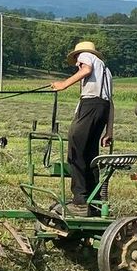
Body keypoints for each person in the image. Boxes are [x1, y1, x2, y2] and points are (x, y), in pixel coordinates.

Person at [50, 39, 114, 216]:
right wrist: (109, 131)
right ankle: (94, 202)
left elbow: (86, 69)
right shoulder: (107, 71)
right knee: (90, 155)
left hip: (90, 106)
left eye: (77, 61)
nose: (77, 64)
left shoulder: (86, 56)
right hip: (102, 109)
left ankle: (79, 201)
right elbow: (111, 103)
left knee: (76, 151)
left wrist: (63, 85)